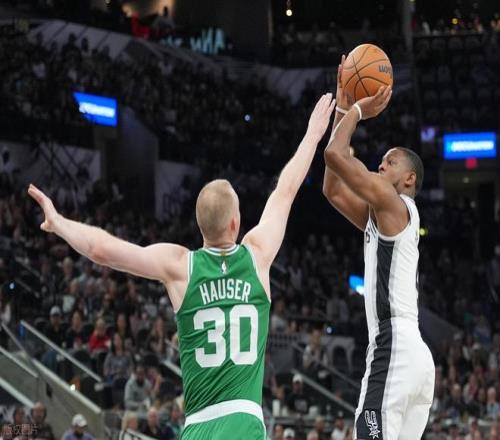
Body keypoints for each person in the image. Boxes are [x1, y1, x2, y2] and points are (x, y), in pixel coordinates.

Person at [28, 93, 335, 440]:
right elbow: (286, 190)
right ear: (236, 223)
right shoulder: (257, 255)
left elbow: (102, 250)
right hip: (244, 424)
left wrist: (59, 222)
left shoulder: (180, 266)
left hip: (198, 427)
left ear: (200, 226)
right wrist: (312, 135)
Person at [323, 55, 435, 439]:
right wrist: (341, 108)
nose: (381, 165)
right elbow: (332, 188)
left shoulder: (394, 203)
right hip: (414, 355)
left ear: (409, 179)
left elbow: (335, 155)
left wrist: (356, 110)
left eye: (390, 162)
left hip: (394, 345)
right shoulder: (383, 216)